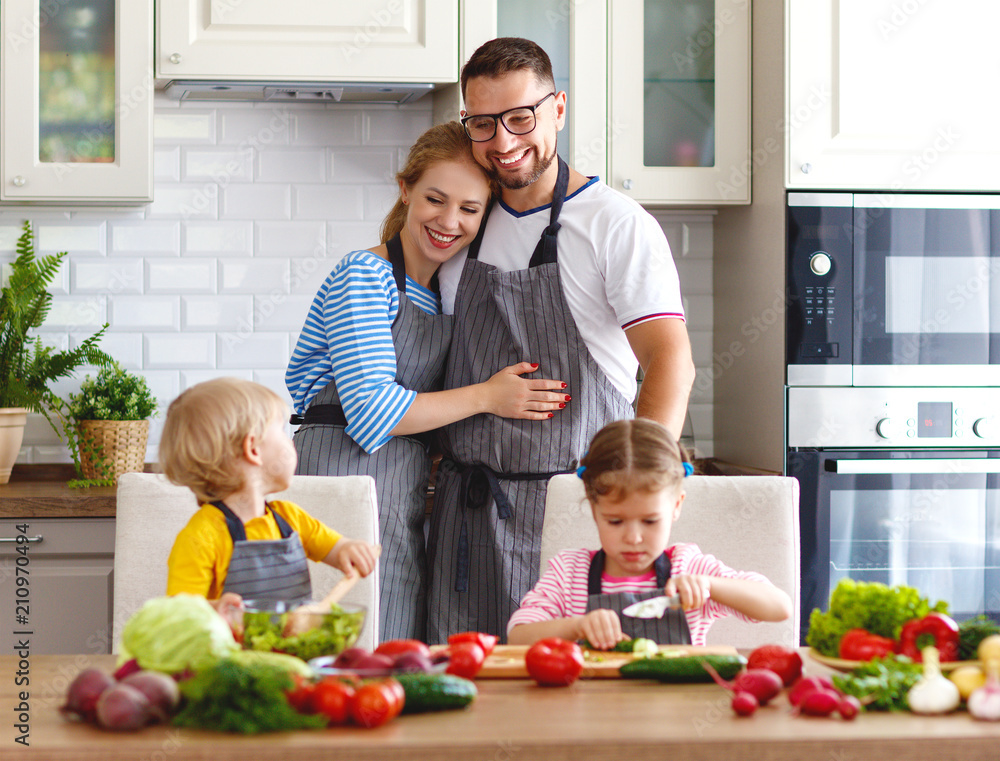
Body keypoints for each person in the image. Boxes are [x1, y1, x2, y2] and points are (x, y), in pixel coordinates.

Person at [425, 37, 697, 642]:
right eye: (483, 124)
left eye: (521, 117)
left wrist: (640, 484)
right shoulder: (464, 221)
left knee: (582, 704)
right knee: (465, 702)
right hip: (465, 522)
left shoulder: (614, 223)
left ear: (558, 109)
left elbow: (670, 360)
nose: (504, 142)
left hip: (571, 519)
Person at [285, 121, 568, 643]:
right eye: (435, 199)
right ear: (405, 190)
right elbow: (371, 410)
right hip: (336, 483)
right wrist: (489, 396)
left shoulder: (441, 292)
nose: (449, 221)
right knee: (333, 649)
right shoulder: (365, 275)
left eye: (469, 209)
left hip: (401, 488)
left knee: (387, 646)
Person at [507, 419, 792, 647]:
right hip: (590, 716)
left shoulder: (688, 566)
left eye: (650, 521)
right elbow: (518, 637)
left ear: (676, 507)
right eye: (616, 522)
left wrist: (709, 585)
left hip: (677, 716)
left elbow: (778, 606)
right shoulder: (570, 573)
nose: (633, 538)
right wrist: (576, 626)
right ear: (594, 510)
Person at [162, 377, 381, 621]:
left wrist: (350, 549)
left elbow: (337, 550)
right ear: (253, 450)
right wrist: (217, 610)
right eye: (281, 431)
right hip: (229, 657)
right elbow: (178, 613)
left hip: (291, 653)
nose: (290, 442)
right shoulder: (201, 537)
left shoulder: (290, 518)